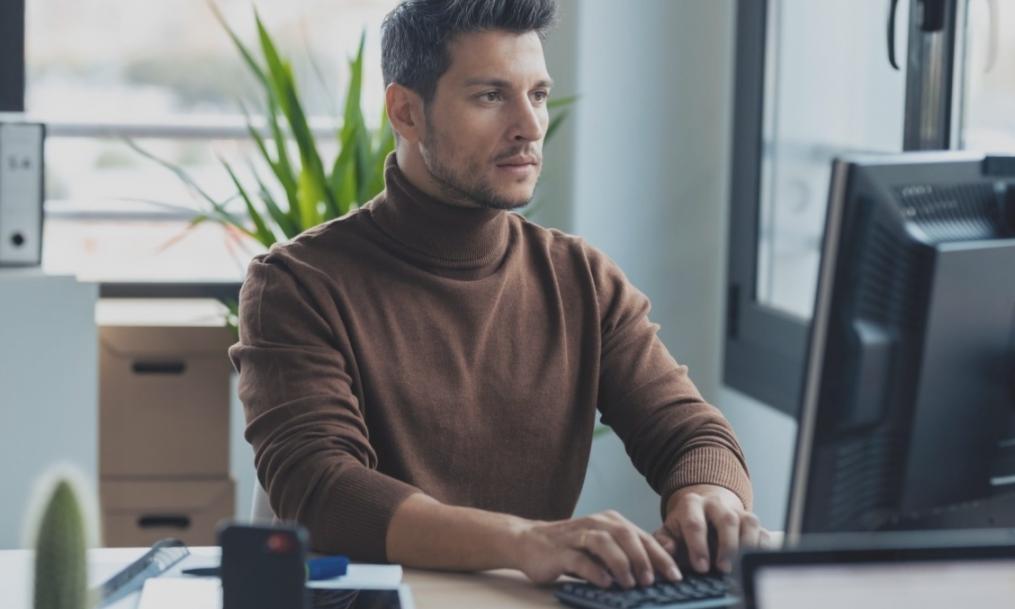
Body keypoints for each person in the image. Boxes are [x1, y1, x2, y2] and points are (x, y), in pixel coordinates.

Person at [229, 0, 766, 591]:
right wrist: (524, 542)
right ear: (406, 112)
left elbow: (690, 432)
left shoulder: (581, 279)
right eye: (491, 96)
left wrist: (708, 497)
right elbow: (322, 490)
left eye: (537, 94)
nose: (531, 126)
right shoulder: (295, 284)